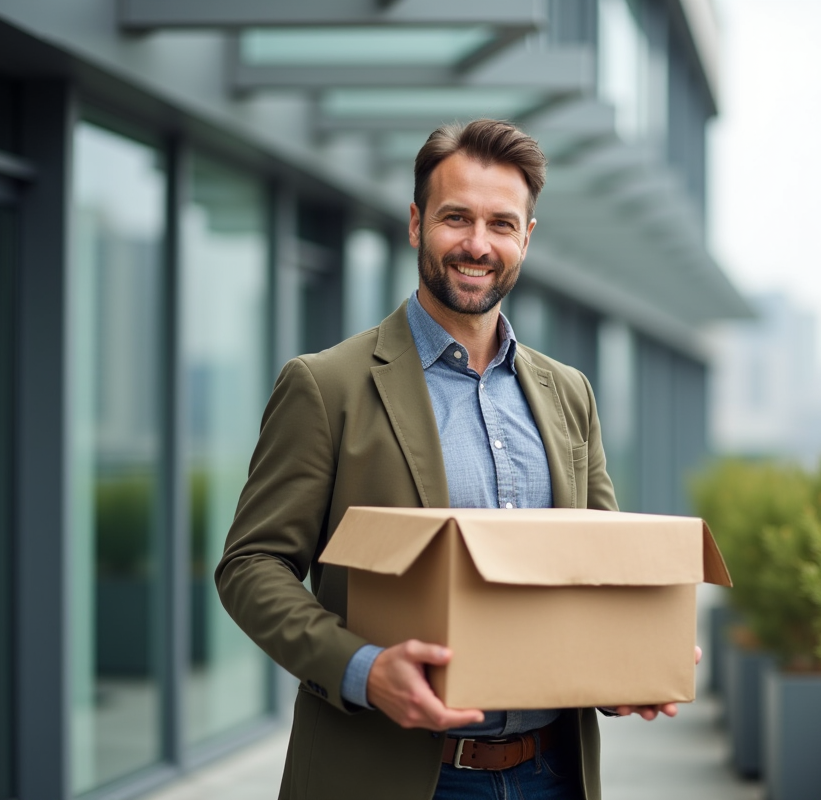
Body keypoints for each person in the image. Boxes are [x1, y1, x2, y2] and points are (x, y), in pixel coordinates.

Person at [217, 119, 686, 800]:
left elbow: (596, 570)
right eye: (455, 218)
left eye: (501, 223)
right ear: (415, 223)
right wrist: (363, 669)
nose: (477, 244)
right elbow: (250, 566)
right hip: (391, 773)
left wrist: (624, 672)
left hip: (552, 773)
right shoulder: (328, 386)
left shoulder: (570, 394)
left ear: (526, 237)